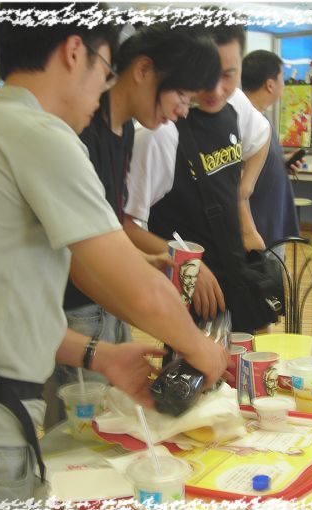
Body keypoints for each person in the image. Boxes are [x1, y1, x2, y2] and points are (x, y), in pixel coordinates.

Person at [0, 3, 227, 510]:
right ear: (74, 51)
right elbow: (141, 291)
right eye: (105, 67)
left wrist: (101, 356)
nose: (104, 86)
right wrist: (203, 349)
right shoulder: (40, 135)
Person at [45, 24, 222, 430]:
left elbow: (107, 225)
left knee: (116, 423)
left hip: (104, 303)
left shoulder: (123, 130)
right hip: (73, 312)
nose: (182, 110)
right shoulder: (80, 130)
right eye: (181, 96)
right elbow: (80, 259)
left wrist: (143, 260)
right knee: (80, 434)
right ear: (143, 70)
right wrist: (187, 339)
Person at [123, 22, 272, 332]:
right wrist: (187, 264)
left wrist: (243, 201)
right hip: (192, 298)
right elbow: (123, 224)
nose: (216, 90)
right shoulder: (159, 133)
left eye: (229, 75)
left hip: (237, 279)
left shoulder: (235, 104)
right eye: (207, 76)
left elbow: (262, 136)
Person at [241, 50, 300, 253]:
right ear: (270, 84)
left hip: (271, 227)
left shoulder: (261, 119)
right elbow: (238, 180)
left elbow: (256, 163)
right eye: (282, 79)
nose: (284, 85)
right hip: (257, 232)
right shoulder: (244, 121)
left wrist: (282, 163)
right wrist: (249, 232)